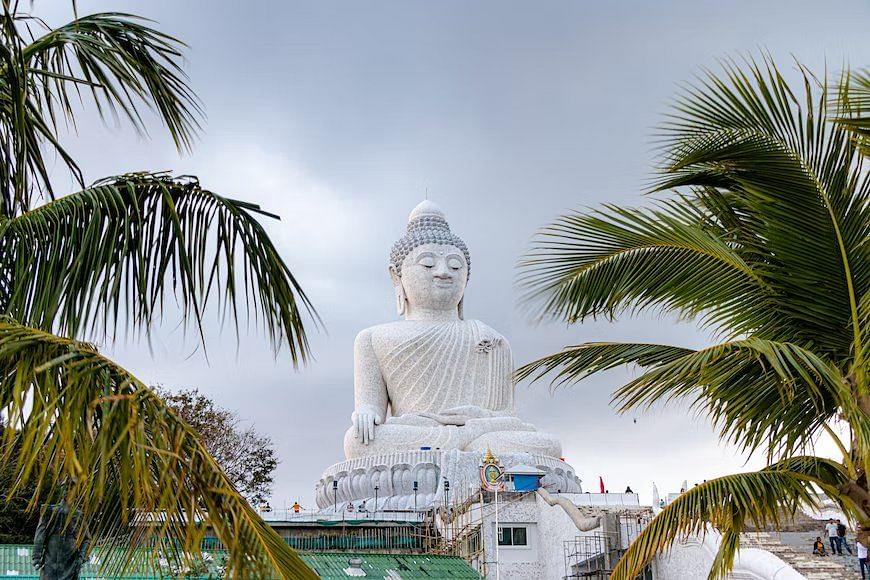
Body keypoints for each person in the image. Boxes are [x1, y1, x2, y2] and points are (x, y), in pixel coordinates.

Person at [32, 501, 89, 580]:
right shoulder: (50, 511)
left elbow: (87, 539)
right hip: (51, 563)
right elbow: (40, 535)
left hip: (70, 564)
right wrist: (36, 557)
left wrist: (81, 557)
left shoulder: (78, 514)